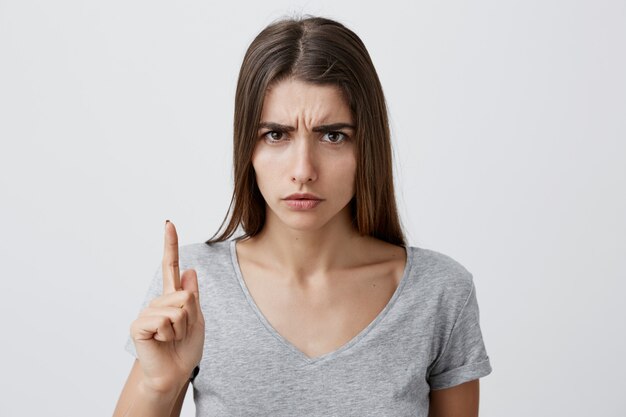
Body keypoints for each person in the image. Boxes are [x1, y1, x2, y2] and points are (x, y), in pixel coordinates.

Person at [113, 15, 492, 417]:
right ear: (248, 149)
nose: (303, 169)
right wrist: (160, 385)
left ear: (368, 147)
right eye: (276, 135)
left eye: (333, 135)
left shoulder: (440, 293)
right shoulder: (193, 288)